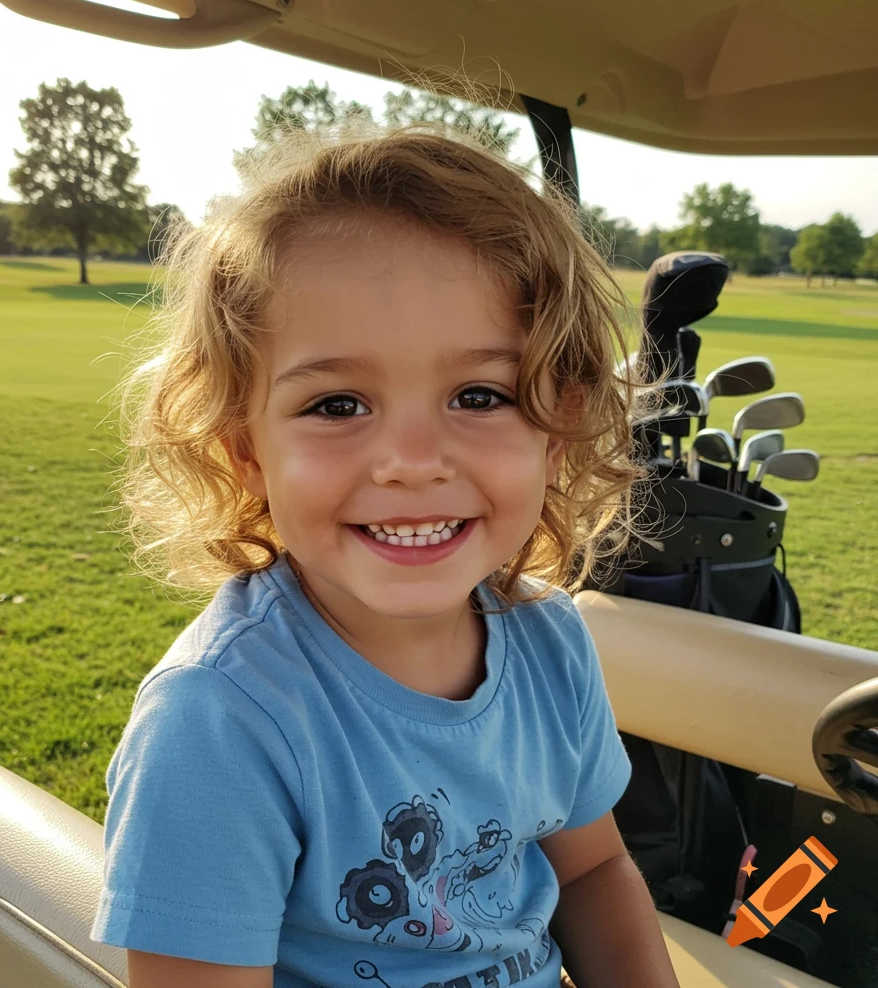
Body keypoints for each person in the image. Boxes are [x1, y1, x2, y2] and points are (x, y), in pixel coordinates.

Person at [89, 99, 680, 988]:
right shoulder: (221, 723)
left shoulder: (550, 645)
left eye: (479, 396)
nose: (410, 463)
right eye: (337, 405)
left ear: (555, 434)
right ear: (245, 452)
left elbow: (594, 870)